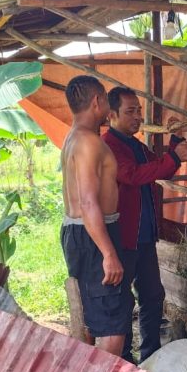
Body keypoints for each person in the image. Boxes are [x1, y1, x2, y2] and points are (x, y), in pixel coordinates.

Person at [103, 86, 187, 363]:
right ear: (111, 115)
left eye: (139, 110)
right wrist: (176, 156)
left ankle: (151, 355)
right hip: (124, 237)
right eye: (130, 111)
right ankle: (125, 360)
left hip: (145, 237)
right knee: (123, 301)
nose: (137, 117)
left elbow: (156, 165)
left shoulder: (136, 145)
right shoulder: (109, 147)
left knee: (153, 295)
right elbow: (133, 175)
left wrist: (174, 139)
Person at [60, 75, 132, 356]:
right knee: (112, 324)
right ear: (97, 101)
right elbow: (89, 202)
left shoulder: (72, 138)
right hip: (94, 233)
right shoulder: (90, 142)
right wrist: (109, 253)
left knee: (91, 313)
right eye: (105, 99)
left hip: (76, 231)